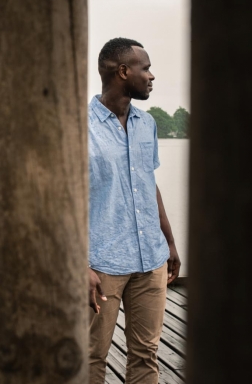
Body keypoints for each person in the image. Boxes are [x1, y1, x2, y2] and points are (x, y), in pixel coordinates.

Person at [87, 37, 181, 383]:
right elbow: (62, 202)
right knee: (90, 356)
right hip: (102, 264)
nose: (152, 76)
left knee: (146, 354)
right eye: (146, 68)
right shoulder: (79, 127)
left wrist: (168, 242)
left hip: (150, 261)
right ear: (123, 72)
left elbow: (147, 184)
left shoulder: (147, 124)